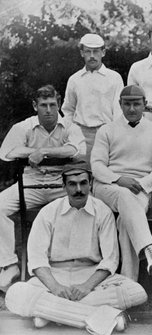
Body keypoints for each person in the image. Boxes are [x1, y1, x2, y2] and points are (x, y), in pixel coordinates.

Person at [5, 161, 147, 334]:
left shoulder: (103, 211)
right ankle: (103, 317)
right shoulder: (48, 212)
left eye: (83, 183)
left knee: (136, 291)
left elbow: (110, 259)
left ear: (90, 184)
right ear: (64, 185)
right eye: (72, 184)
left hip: (91, 275)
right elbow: (36, 260)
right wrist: (56, 288)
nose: (78, 189)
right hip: (54, 274)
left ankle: (50, 313)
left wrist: (87, 286)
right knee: (15, 293)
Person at [0, 85, 85, 292]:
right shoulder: (24, 127)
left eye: (53, 105)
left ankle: (80, 264)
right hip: (31, 185)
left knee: (90, 205)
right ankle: (9, 265)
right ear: (34, 106)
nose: (48, 110)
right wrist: (34, 151)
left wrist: (44, 152)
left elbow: (77, 150)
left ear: (59, 104)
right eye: (43, 105)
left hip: (62, 185)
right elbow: (7, 152)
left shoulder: (70, 126)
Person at [91, 84, 152, 281]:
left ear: (145, 105)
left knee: (125, 220)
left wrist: (142, 184)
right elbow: (97, 165)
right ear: (120, 104)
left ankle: (128, 281)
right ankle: (149, 248)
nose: (132, 109)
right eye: (127, 104)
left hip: (140, 189)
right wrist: (118, 179)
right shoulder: (106, 130)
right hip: (108, 185)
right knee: (125, 195)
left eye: (136, 104)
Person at [62, 33, 124, 162]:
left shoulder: (114, 78)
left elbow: (118, 110)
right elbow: (68, 110)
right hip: (80, 135)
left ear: (103, 52)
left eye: (96, 51)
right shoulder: (74, 79)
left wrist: (115, 134)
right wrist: (70, 133)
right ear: (81, 53)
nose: (91, 56)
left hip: (106, 133)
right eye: (87, 51)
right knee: (81, 174)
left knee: (104, 172)